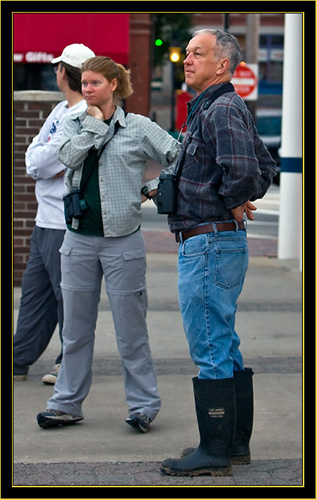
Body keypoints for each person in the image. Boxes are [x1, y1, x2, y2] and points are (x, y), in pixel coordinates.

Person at [36, 56, 180, 432]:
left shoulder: (138, 127)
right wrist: (95, 128)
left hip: (123, 243)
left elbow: (176, 157)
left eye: (94, 83)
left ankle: (144, 406)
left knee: (131, 330)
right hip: (78, 241)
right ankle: (65, 404)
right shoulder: (72, 124)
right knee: (75, 330)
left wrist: (152, 187)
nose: (86, 89)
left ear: (114, 85)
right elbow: (65, 157)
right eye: (83, 83)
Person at [160, 29, 276, 476]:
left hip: (208, 243)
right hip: (216, 241)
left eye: (197, 54)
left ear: (222, 65)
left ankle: (214, 452)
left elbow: (248, 172)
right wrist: (232, 195)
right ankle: (232, 445)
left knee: (210, 344)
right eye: (187, 53)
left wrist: (233, 197)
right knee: (224, 344)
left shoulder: (222, 106)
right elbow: (265, 166)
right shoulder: (223, 106)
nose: (187, 60)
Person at [13, 44, 95, 384]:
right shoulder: (61, 109)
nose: (54, 71)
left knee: (69, 298)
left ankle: (69, 361)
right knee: (35, 295)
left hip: (65, 222)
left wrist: (41, 157)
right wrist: (41, 158)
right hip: (45, 221)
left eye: (58, 67)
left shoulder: (82, 115)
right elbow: (37, 158)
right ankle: (18, 359)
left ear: (65, 72)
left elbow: (47, 160)